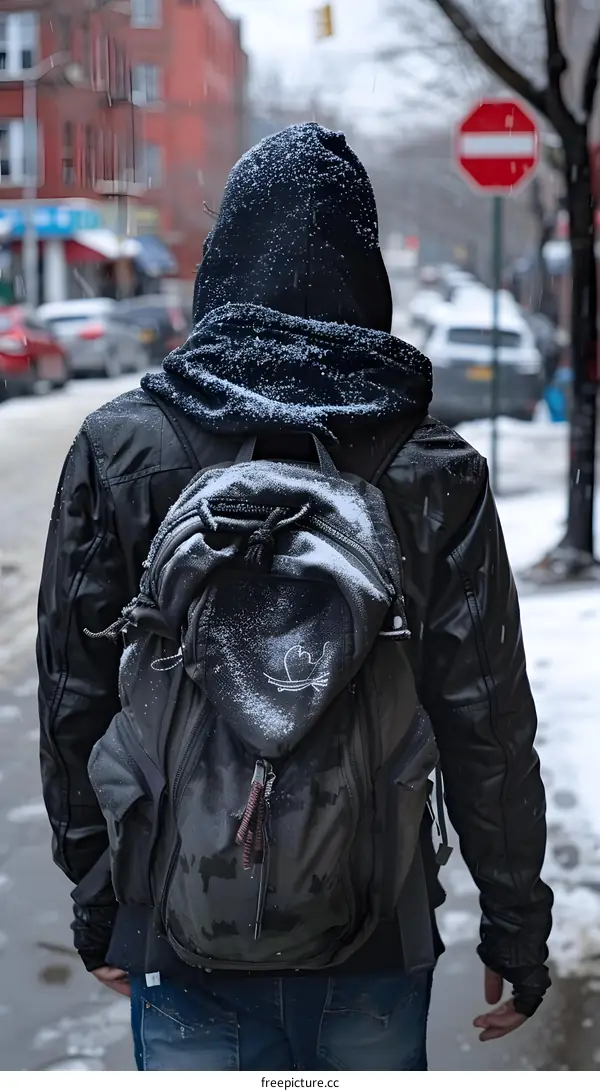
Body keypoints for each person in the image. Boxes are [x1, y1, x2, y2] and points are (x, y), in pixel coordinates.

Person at [38, 123, 552, 1072]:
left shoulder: (123, 448)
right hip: (376, 926)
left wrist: (99, 896)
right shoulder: (430, 465)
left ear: (220, 269)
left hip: (174, 916)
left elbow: (75, 694)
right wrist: (516, 926)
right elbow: (484, 717)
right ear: (367, 282)